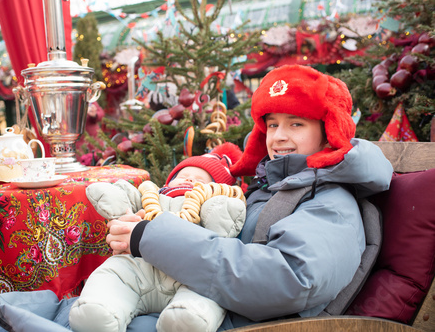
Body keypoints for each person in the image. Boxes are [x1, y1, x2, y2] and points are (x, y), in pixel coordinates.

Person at [104, 64, 394, 331]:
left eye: (296, 124)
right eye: (272, 124)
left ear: (328, 133)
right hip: (192, 306)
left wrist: (154, 239)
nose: (279, 136)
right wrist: (156, 222)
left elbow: (288, 279)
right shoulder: (273, 186)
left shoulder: (331, 200)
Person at [70, 142, 246, 332]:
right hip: (138, 267)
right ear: (168, 182)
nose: (190, 181)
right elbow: (125, 198)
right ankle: (99, 310)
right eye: (183, 176)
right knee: (114, 274)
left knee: (205, 293)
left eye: (200, 181)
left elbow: (222, 226)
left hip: (189, 274)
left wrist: (221, 208)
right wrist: (116, 200)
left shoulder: (207, 206)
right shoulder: (150, 196)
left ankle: (184, 318)